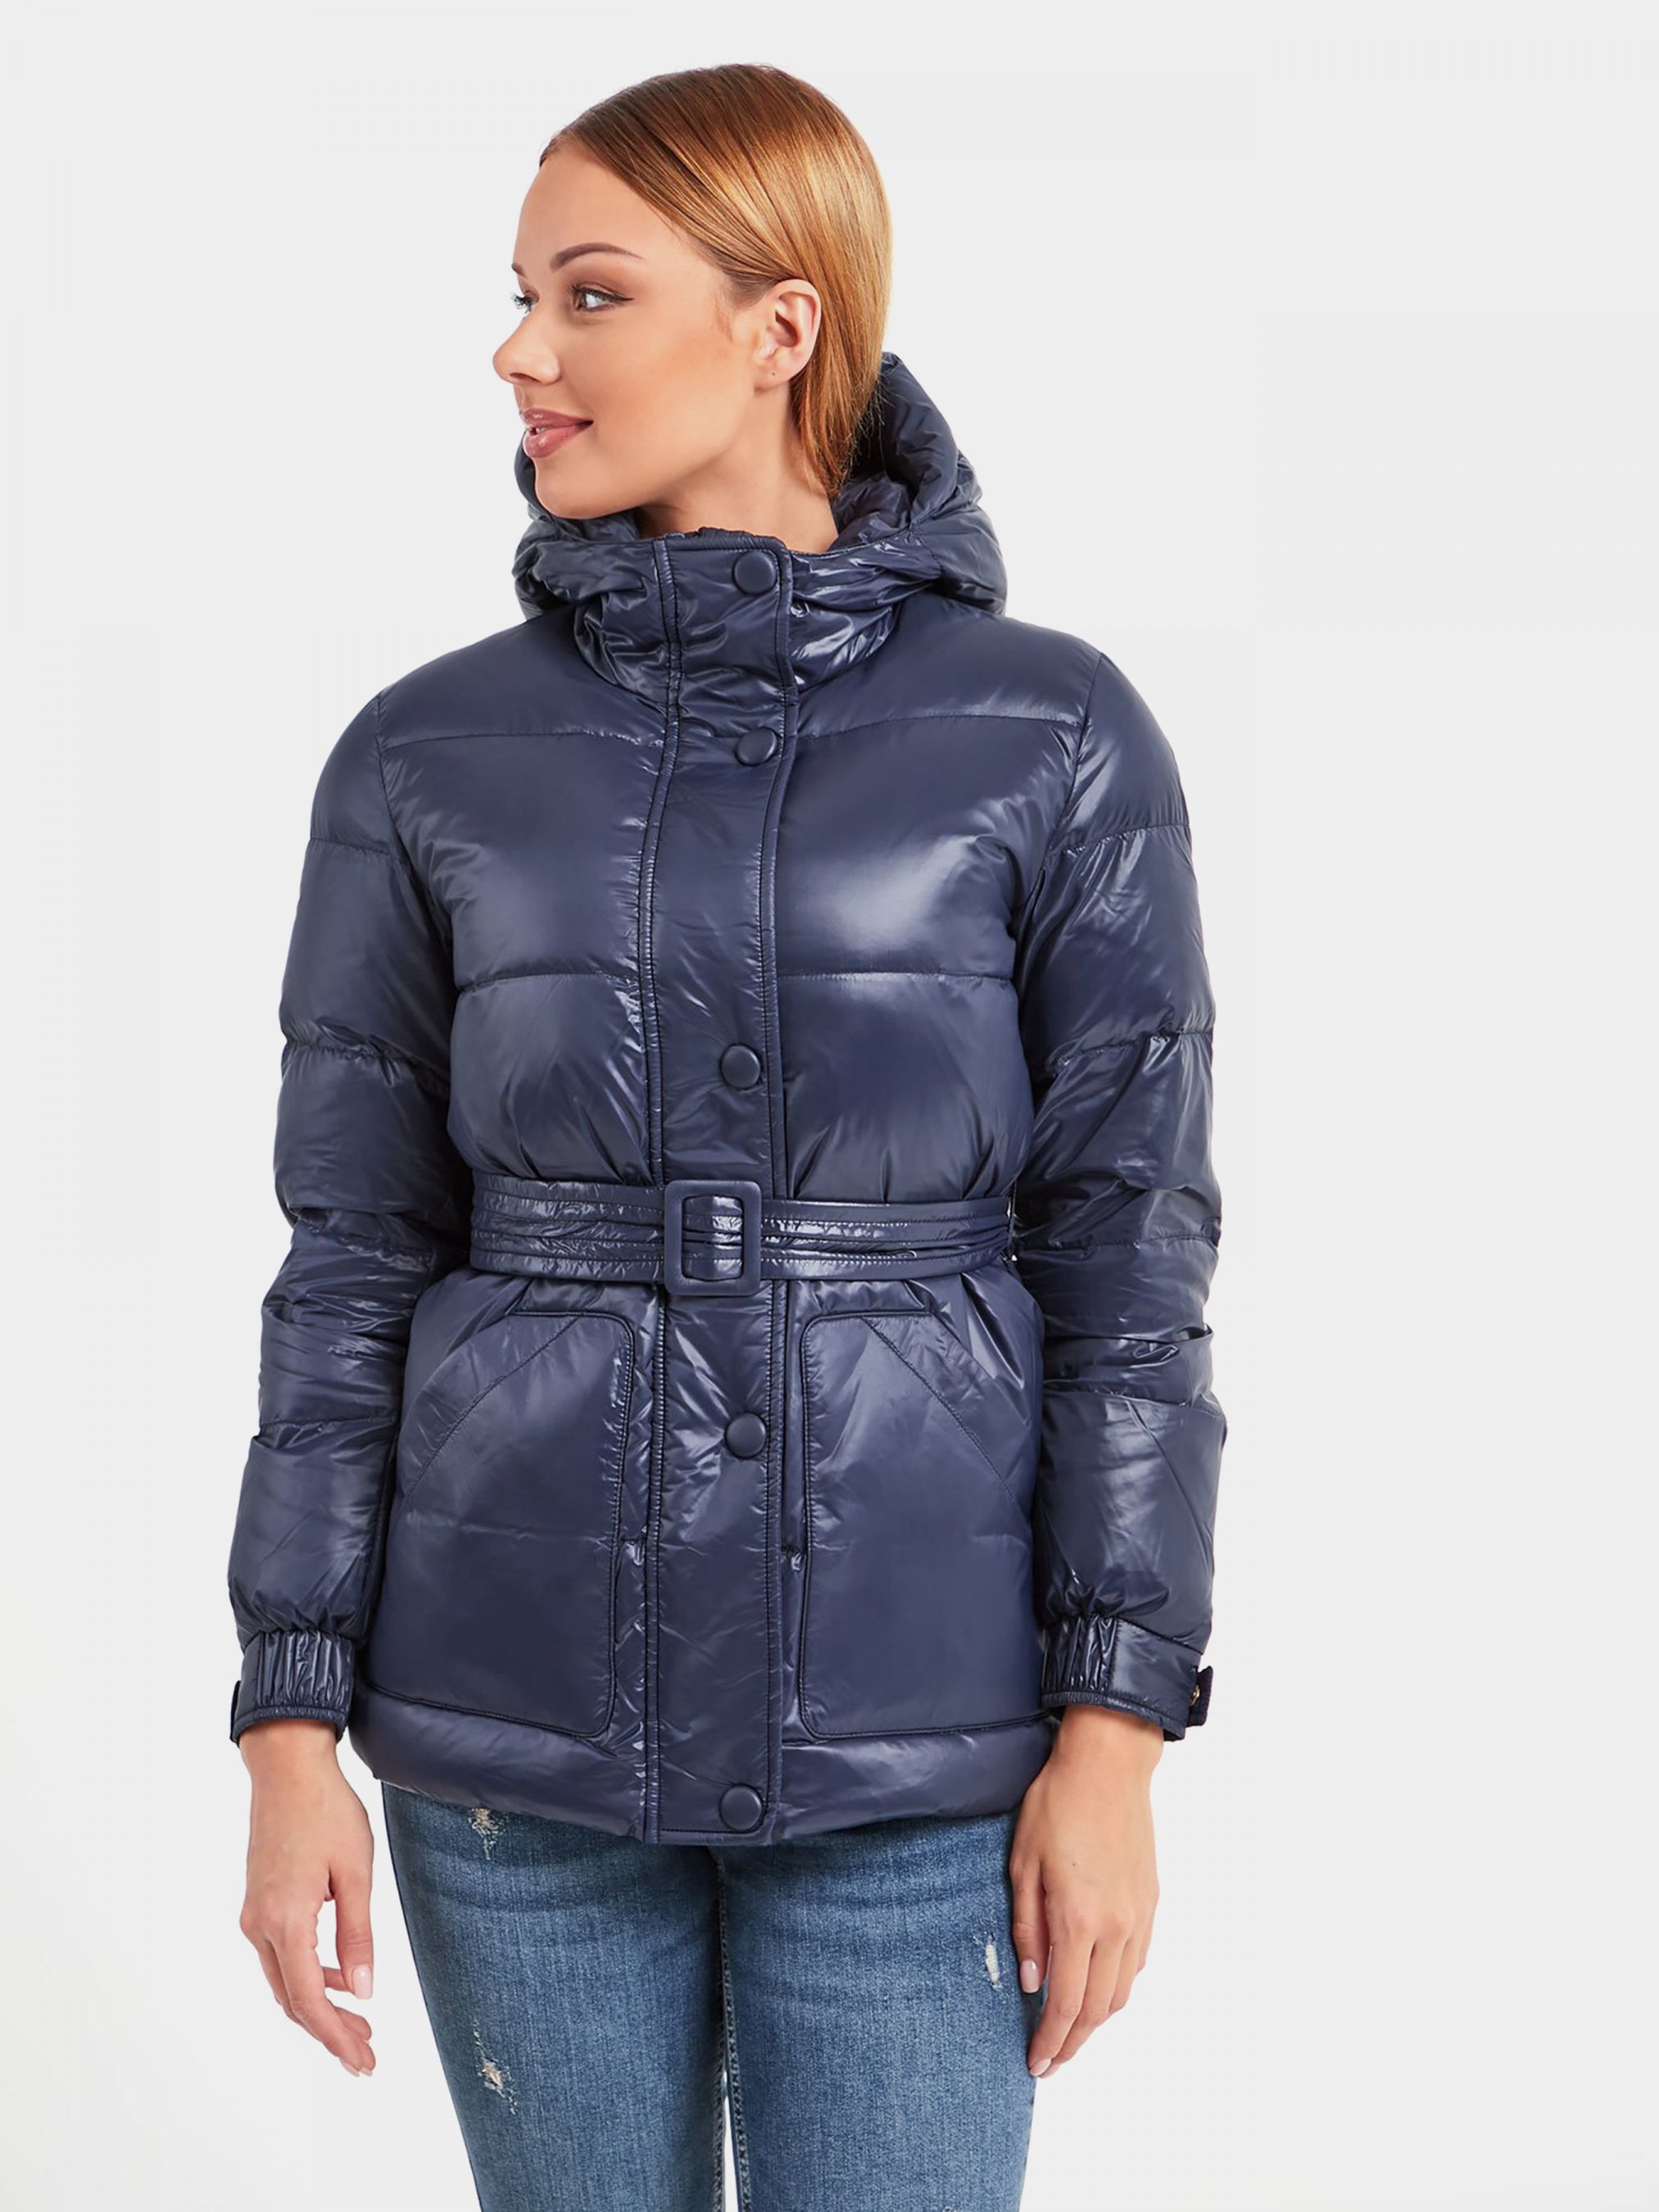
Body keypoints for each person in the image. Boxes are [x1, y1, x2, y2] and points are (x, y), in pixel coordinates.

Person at [227, 61, 1226, 2212]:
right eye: (519, 295)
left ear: (781, 328)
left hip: (921, 1740)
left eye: (590, 293)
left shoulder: (1051, 732)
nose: (523, 350)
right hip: (509, 1731)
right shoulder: (423, 755)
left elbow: (1127, 1258)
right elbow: (353, 1252)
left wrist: (1116, 1726)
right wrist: (287, 1715)